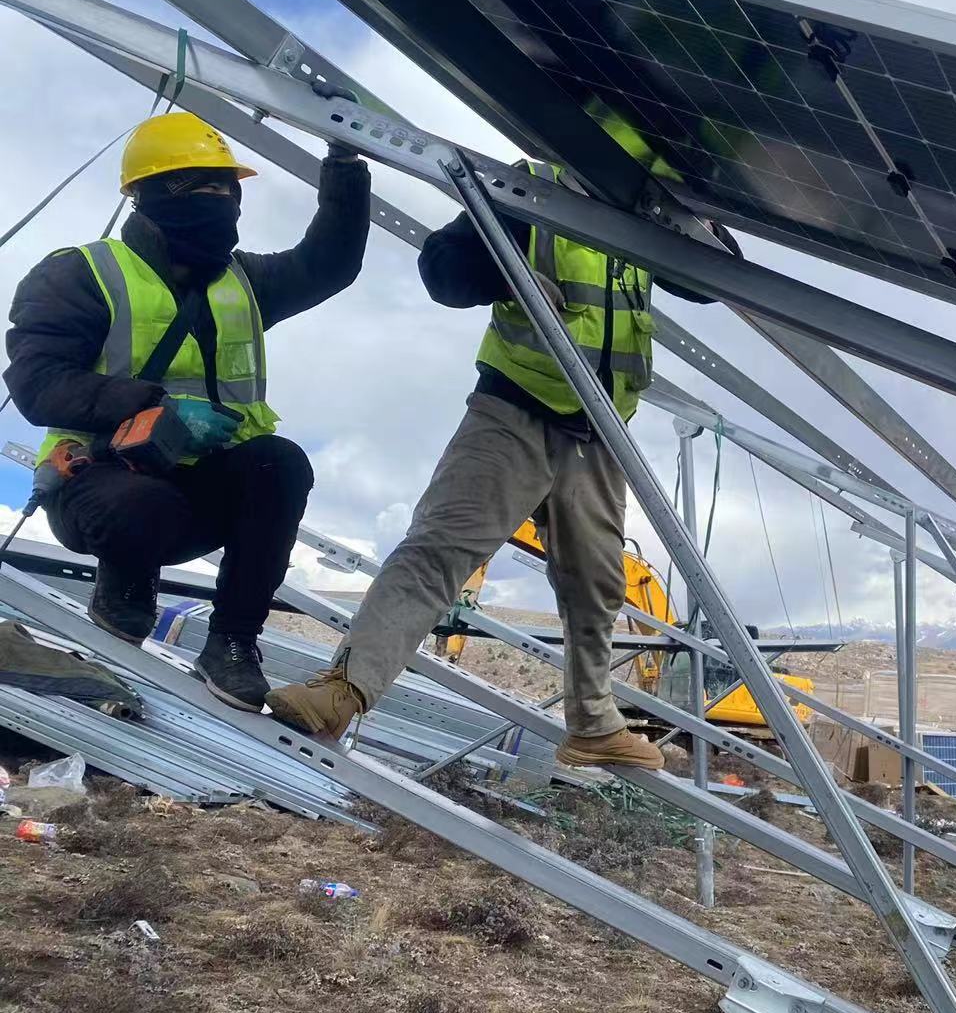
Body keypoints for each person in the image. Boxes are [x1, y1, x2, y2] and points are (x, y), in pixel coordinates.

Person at [267, 160, 735, 770]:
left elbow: (710, 279)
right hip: (514, 408)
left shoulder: (643, 212)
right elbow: (443, 269)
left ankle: (593, 725)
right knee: (439, 550)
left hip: (598, 428)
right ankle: (343, 691)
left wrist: (697, 222)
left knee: (597, 584)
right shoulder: (533, 189)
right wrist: (511, 276)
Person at [4, 112, 371, 712]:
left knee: (280, 463)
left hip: (205, 495)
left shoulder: (245, 281)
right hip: (99, 484)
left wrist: (346, 164)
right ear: (152, 194)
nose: (222, 201)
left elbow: (327, 263)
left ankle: (232, 643)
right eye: (204, 187)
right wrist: (156, 407)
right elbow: (37, 384)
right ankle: (125, 586)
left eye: (229, 188)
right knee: (141, 504)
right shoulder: (82, 274)